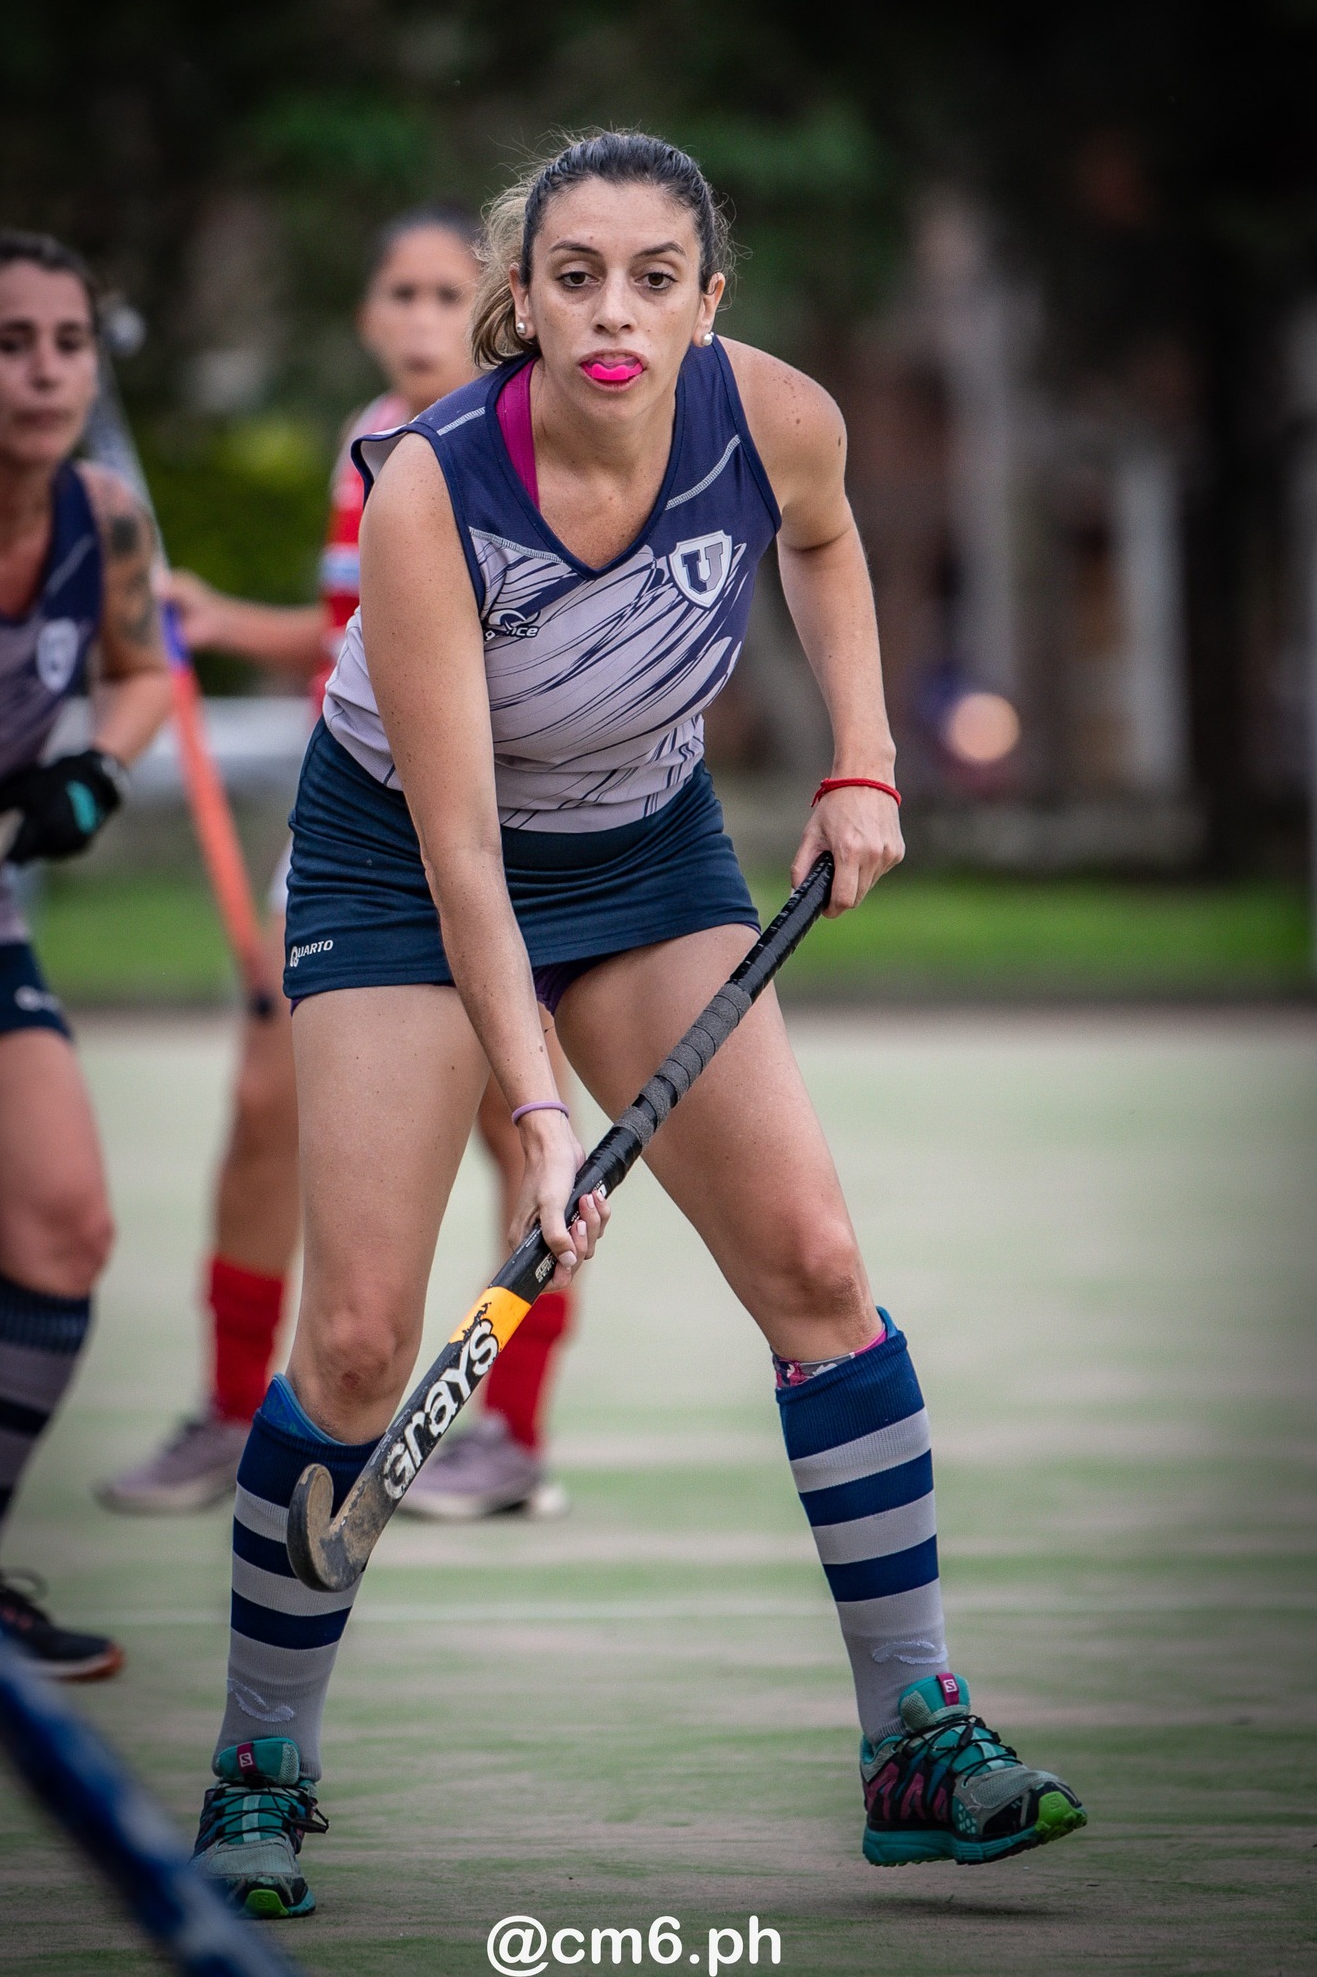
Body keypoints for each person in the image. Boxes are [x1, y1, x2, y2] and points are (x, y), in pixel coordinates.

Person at [191, 132, 1086, 1920]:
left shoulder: (776, 417)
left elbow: (825, 551)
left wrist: (861, 760)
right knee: (361, 1342)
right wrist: (534, 1117)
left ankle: (913, 1730)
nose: (614, 311)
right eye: (575, 275)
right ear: (519, 298)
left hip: (647, 847)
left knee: (818, 1268)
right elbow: (459, 852)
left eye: (653, 276)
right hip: (400, 870)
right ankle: (259, 1759)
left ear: (706, 295)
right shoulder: (433, 489)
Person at [97, 206, 576, 1523]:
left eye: (445, 294)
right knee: (264, 1106)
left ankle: (511, 1436)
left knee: (508, 1121)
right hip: (348, 817)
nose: (423, 318)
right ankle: (225, 1408)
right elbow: (349, 635)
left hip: (494, 821)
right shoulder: (366, 438)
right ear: (369, 316)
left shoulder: (516, 446)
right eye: (400, 295)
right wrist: (214, 612)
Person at [0, 230, 170, 1677]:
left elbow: (145, 670)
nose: (46, 371)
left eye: (70, 343)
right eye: (12, 341)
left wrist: (89, 773)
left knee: (62, 1232)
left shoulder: (105, 520)